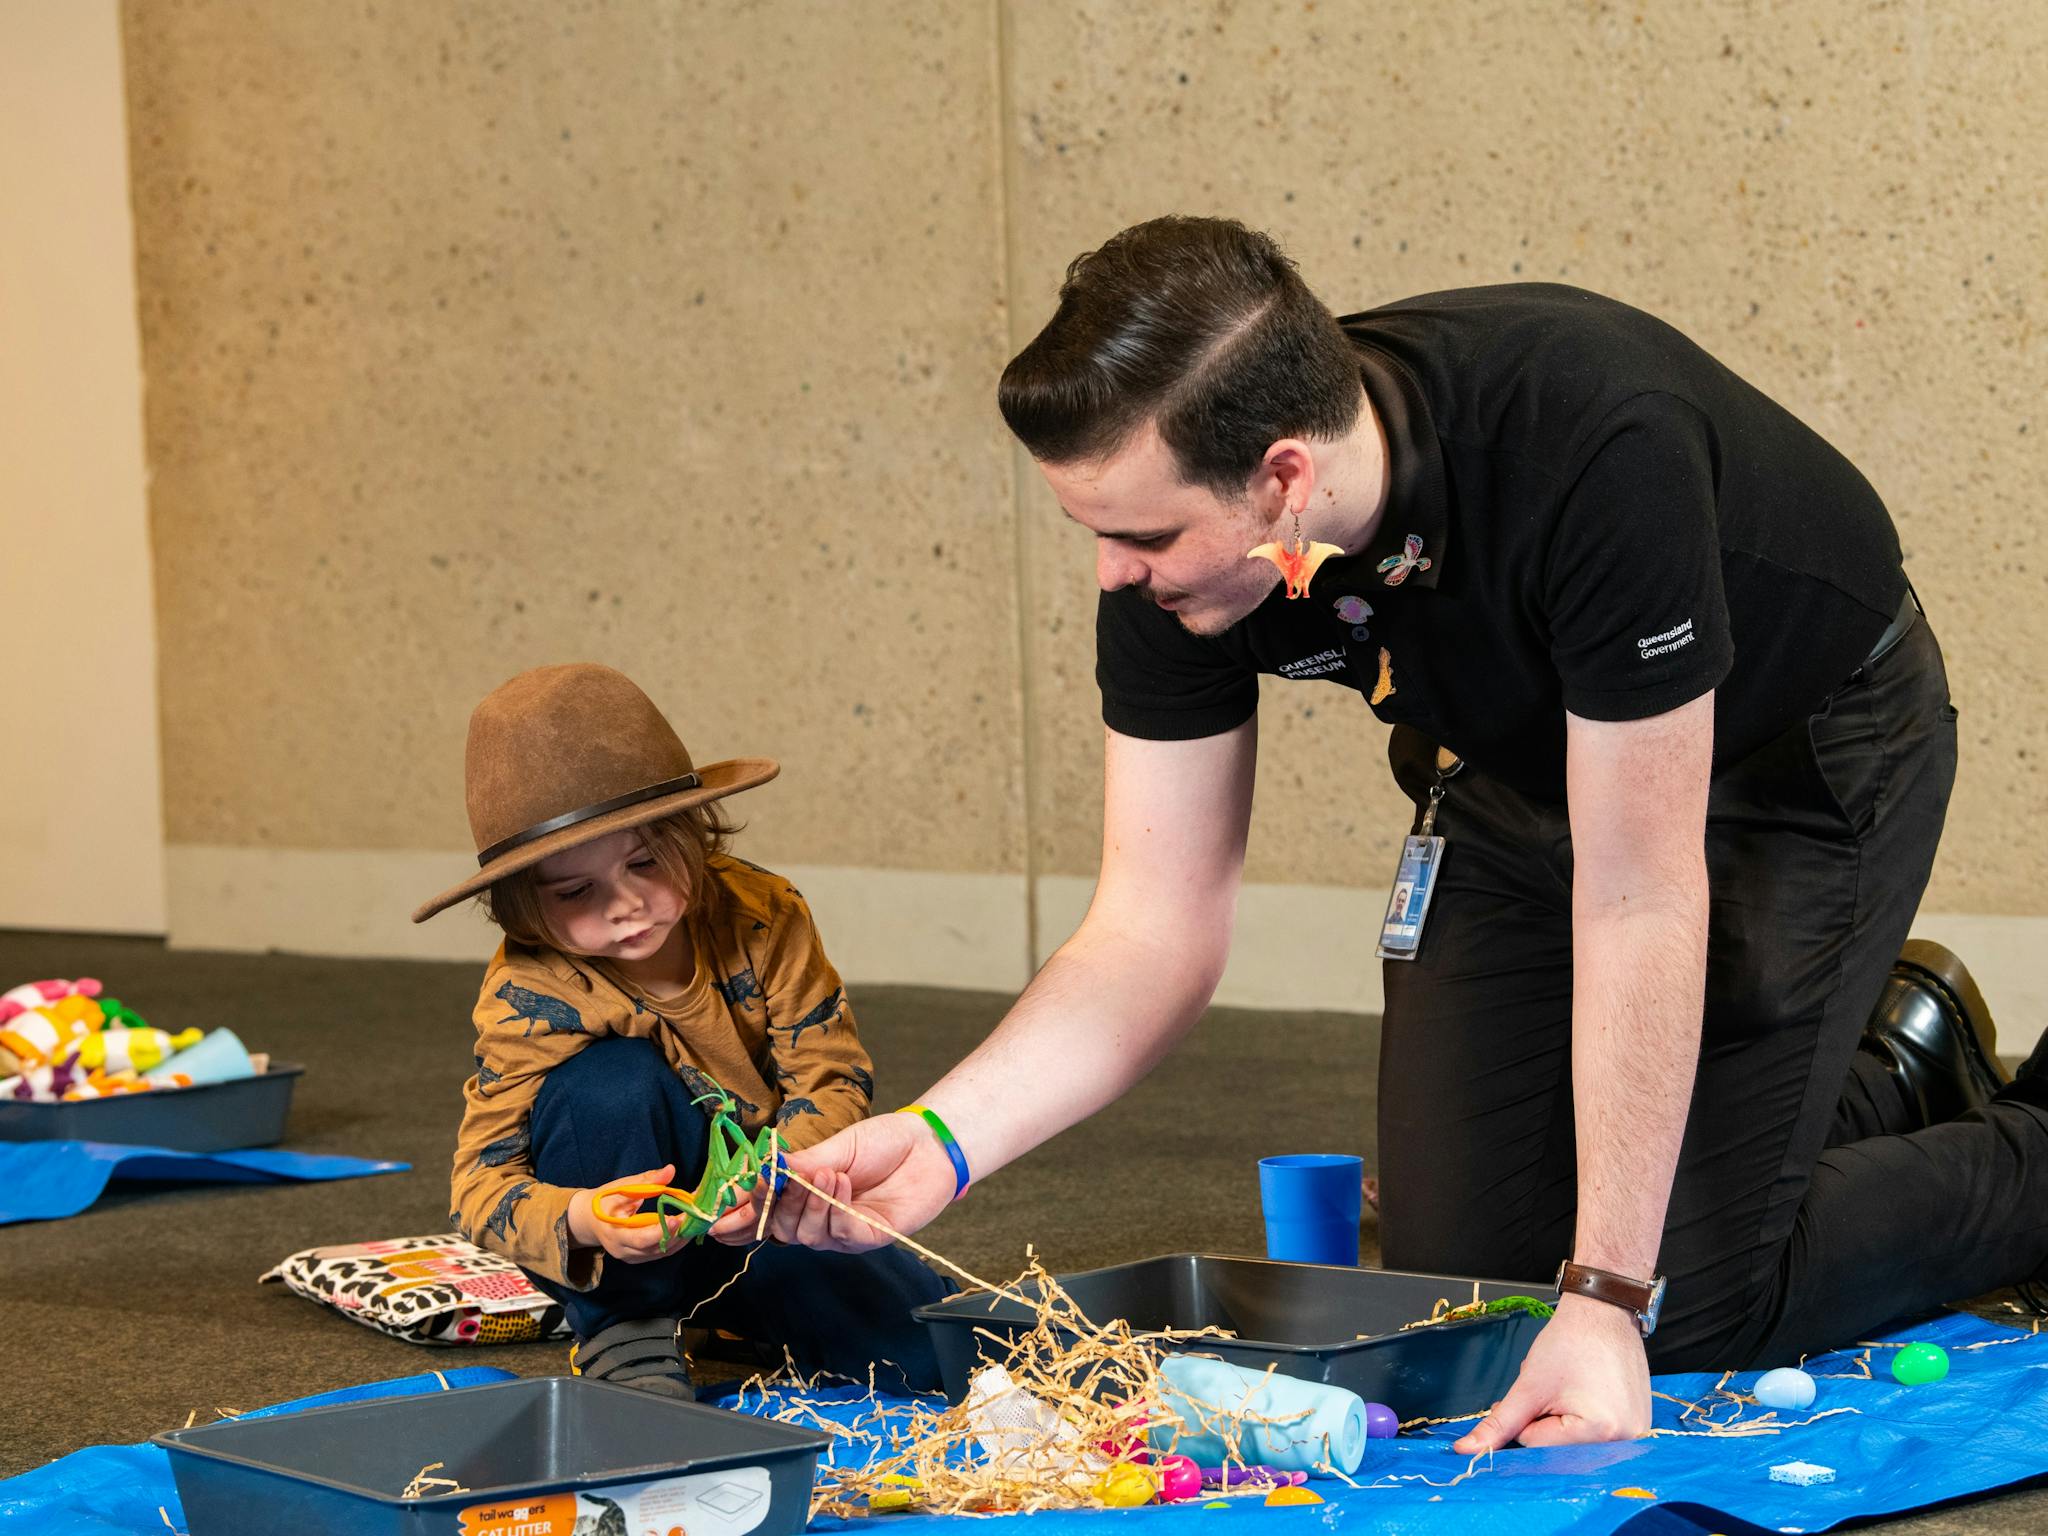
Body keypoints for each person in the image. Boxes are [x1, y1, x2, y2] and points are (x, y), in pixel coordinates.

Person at [716, 216, 2048, 1447]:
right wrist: (940, 1143)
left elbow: (1641, 893)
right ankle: (1876, 1073)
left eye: (1139, 535)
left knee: (1666, 1312)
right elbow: (1151, 928)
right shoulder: (1182, 557)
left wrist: (1606, 1292)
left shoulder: (1588, 445)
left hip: (1788, 755)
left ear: (1284, 477)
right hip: (1512, 766)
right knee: (1463, 1296)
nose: (1114, 574)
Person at [413, 662, 948, 1398]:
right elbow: (478, 1184)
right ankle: (627, 1331)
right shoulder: (526, 991)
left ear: (694, 836)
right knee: (609, 1083)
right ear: (522, 907)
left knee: (933, 1365)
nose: (627, 903)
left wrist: (776, 1180)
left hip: (770, 1212)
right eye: (576, 890)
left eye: (646, 862)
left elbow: (832, 1077)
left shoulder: (767, 913)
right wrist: (585, 1218)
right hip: (630, 1243)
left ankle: (735, 1316)